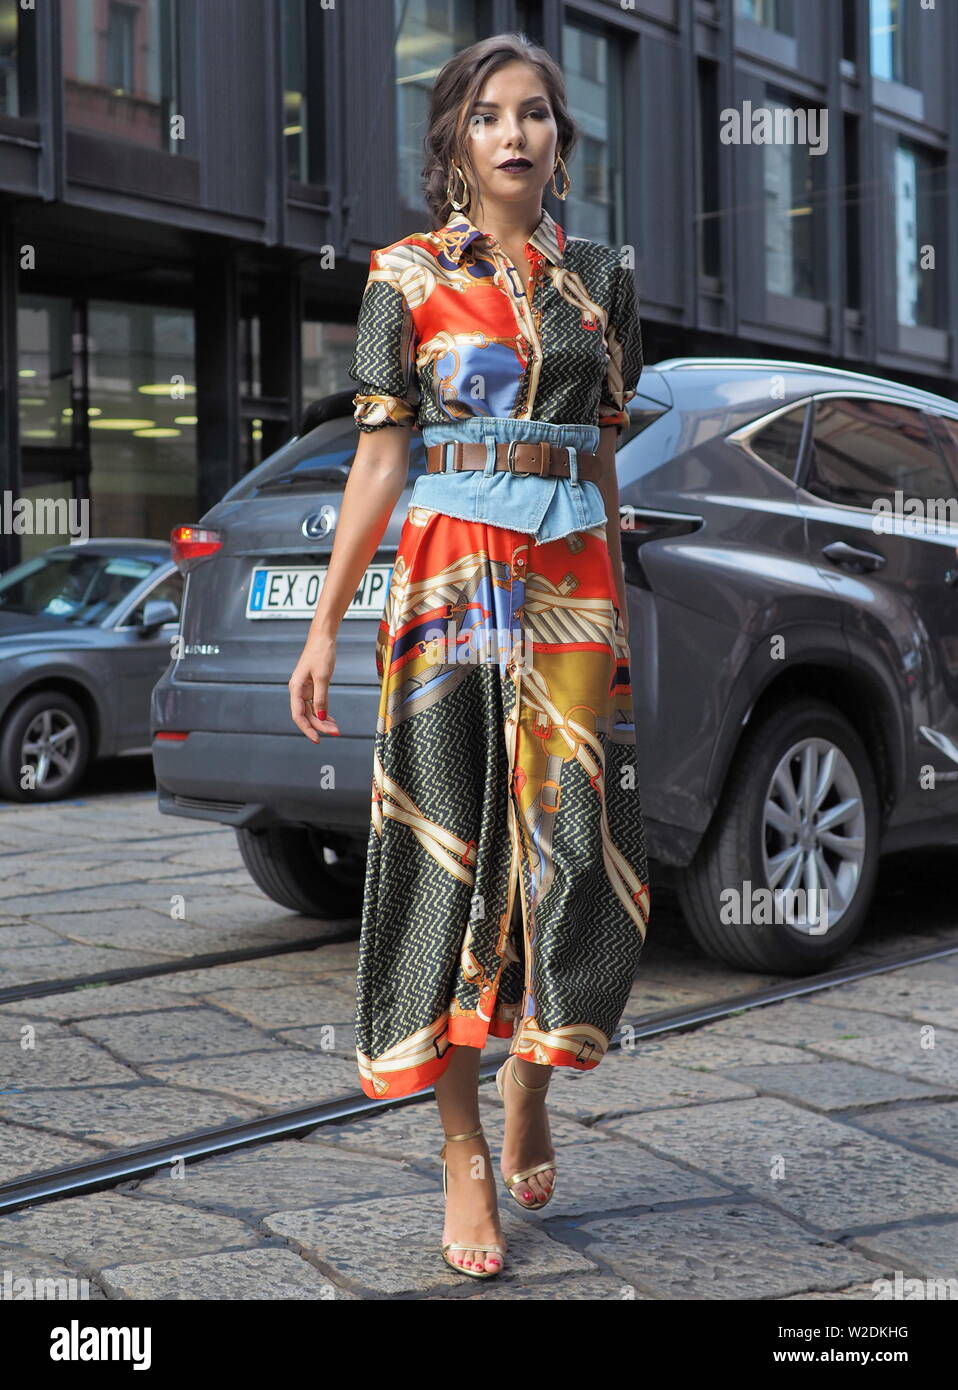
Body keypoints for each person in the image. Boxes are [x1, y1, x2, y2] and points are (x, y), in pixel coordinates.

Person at [289, 31, 650, 1282]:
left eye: (537, 113)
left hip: (570, 590)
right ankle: (459, 1152)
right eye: (489, 113)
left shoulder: (600, 274)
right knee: (447, 848)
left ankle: (534, 1083)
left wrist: (615, 598)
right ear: (453, 136)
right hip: (448, 588)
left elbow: (601, 452)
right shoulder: (401, 274)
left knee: (566, 854)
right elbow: (379, 457)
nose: (515, 133)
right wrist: (329, 619)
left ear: (560, 136)